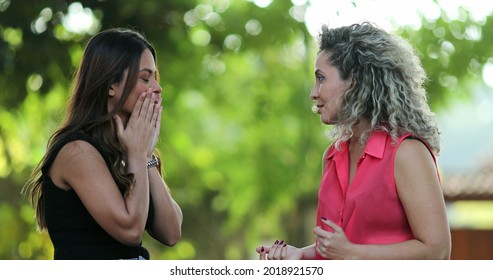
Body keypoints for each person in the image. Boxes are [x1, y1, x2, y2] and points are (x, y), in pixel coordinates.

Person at [256, 22, 451, 260]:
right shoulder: (333, 155)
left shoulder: (406, 152)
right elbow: (339, 248)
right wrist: (302, 255)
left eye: (321, 78)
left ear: (356, 82)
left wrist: (352, 253)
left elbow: (437, 251)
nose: (313, 93)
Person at [23, 28, 183, 260]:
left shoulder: (131, 150)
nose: (157, 88)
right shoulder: (76, 151)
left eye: (155, 78)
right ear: (111, 85)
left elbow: (171, 232)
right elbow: (130, 230)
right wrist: (137, 154)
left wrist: (145, 155)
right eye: (145, 77)